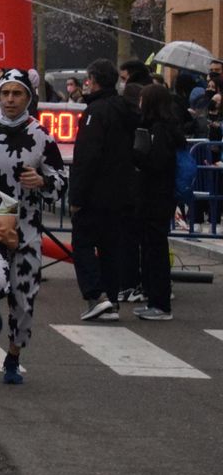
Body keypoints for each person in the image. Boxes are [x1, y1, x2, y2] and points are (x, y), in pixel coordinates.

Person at [0, 69, 67, 384]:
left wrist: (42, 180)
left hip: (27, 228)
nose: (10, 100)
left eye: (17, 93)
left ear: (28, 97)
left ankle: (12, 358)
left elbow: (60, 182)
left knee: (23, 301)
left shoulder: (41, 135)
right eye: (5, 93)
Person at [71, 58, 138, 321]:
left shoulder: (95, 112)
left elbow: (87, 156)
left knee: (83, 243)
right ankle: (111, 298)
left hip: (95, 192)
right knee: (111, 247)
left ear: (94, 80)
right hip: (122, 191)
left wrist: (76, 195)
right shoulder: (126, 109)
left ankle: (95, 295)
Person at [131, 82, 183, 322]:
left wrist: (137, 156)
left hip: (156, 197)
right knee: (151, 248)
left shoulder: (160, 130)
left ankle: (160, 303)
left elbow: (157, 163)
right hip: (155, 196)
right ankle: (154, 299)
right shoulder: (159, 127)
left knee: (155, 250)